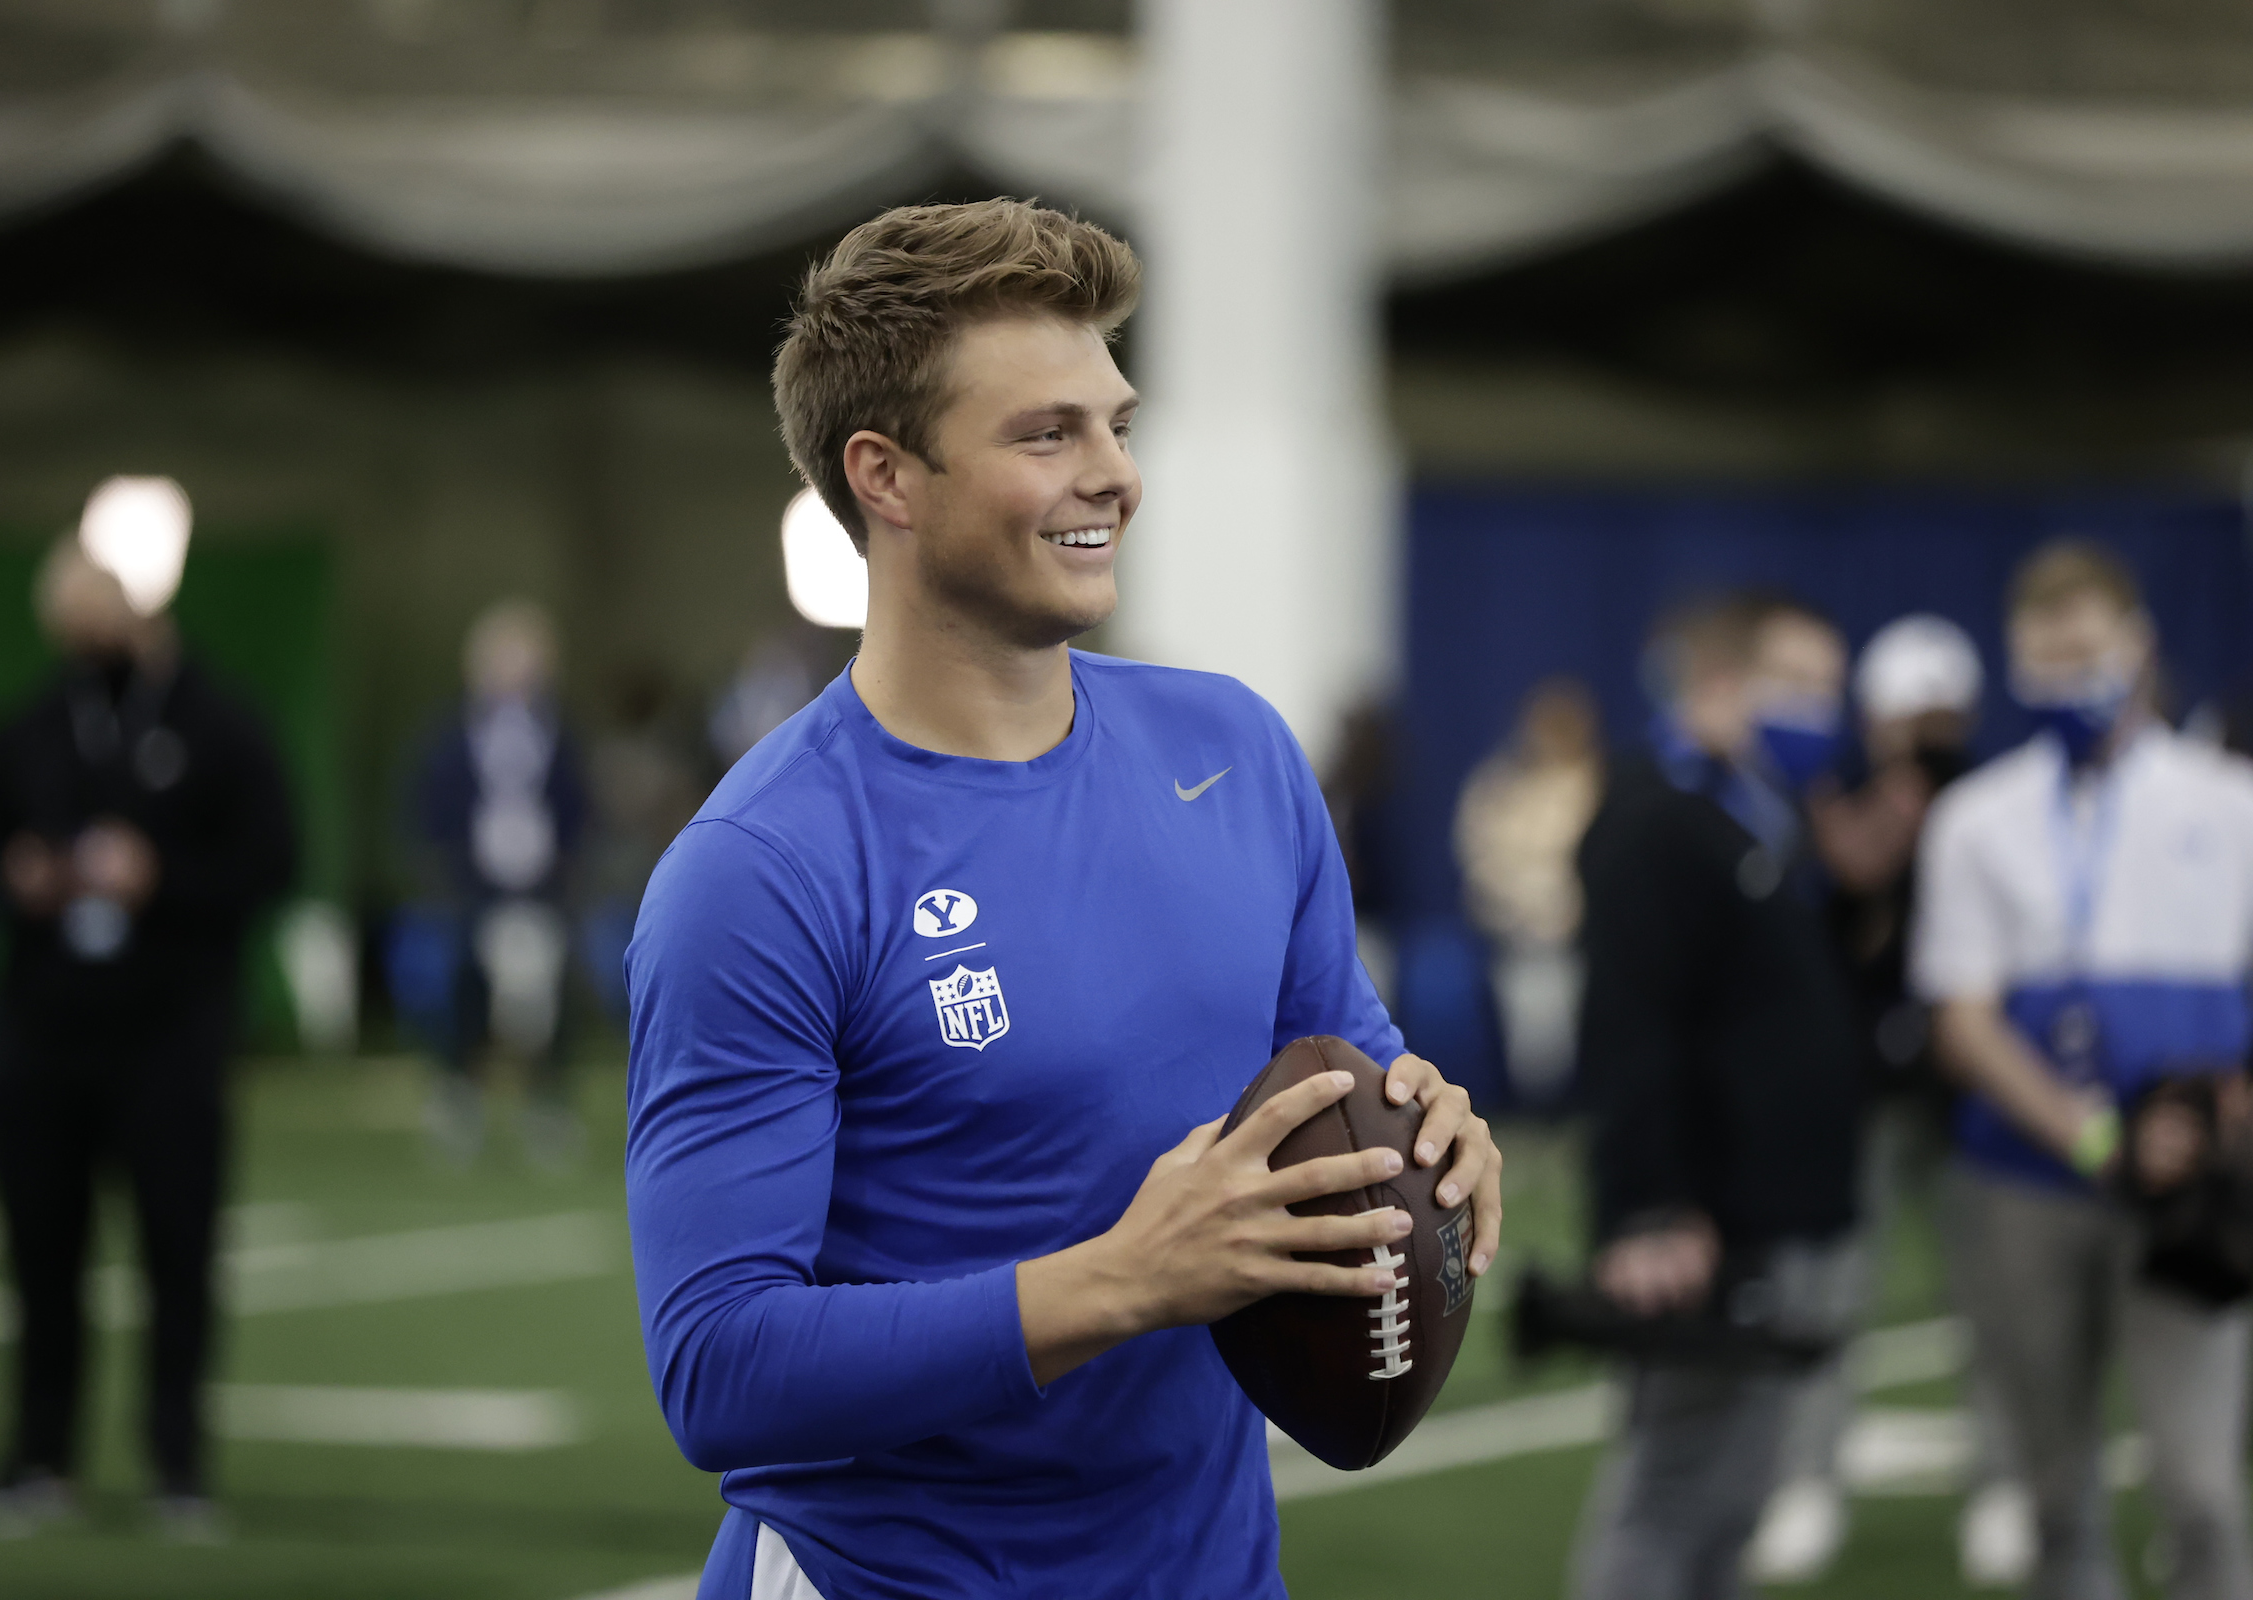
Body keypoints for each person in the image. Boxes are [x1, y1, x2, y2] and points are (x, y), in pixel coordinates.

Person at [623, 198, 1505, 1600]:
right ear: (886, 477)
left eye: (1118, 422)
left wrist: (1434, 1127)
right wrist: (1119, 1281)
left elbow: (1344, 1060)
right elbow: (719, 1367)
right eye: (1049, 435)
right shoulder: (761, 870)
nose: (1116, 476)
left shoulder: (1236, 753)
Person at [1914, 540, 2253, 1600]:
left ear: (2138, 648)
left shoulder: (2229, 801)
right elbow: (1961, 1021)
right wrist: (2098, 1135)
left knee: (2201, 1486)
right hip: (2026, 1186)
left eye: (2088, 653)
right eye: (2047, 660)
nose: (2072, 680)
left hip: (2193, 1193)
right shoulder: (1978, 817)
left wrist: (2207, 1125)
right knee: (2056, 1494)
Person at [0, 533, 295, 1539]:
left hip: (169, 1034)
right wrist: (19, 878)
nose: (85, 647)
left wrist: (163, 877)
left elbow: (271, 856)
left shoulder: (221, 723)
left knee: (176, 1250)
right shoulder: (41, 720)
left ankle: (178, 1464)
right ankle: (38, 1453)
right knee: (41, 1252)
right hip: (43, 1032)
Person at [1567, 590, 1864, 1600]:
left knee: (1732, 1501)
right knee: (1672, 1492)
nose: (1825, 710)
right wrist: (1651, 1206)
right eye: (1805, 685)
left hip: (1768, 1209)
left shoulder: (1751, 815)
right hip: (1708, 1221)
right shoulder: (1659, 817)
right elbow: (1631, 1030)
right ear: (1726, 682)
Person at [1750, 613, 2035, 1585]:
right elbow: (1819, 940)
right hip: (1860, 1090)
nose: (1922, 737)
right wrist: (1855, 868)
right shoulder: (1830, 804)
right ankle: (1806, 1482)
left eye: (1939, 717)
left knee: (1990, 1298)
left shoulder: (1996, 807)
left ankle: (2004, 1484)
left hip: (1965, 1094)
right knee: (1829, 1291)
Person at [412, 599, 591, 1169]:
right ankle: (459, 1096)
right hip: (476, 890)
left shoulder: (560, 735)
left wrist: (567, 867)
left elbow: (578, 808)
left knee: (552, 996)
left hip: (543, 890)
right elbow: (430, 806)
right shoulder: (451, 734)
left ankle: (548, 1104)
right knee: (467, 985)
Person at [1455, 676, 1603, 1104]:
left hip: (1584, 937)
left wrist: (1567, 910)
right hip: (1519, 937)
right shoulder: (1498, 787)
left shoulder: (1598, 785)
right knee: (1534, 1037)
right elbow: (1482, 863)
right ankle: (1536, 1107)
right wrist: (1525, 908)